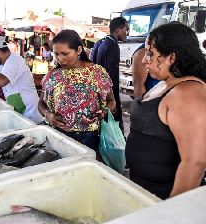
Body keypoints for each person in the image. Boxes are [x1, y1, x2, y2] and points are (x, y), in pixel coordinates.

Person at [126, 23, 206, 199]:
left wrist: (172, 211)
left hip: (165, 196)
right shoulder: (167, 82)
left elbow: (195, 162)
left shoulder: (188, 93)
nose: (144, 59)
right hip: (145, 189)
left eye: (151, 54)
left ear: (172, 57)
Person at [38, 29, 115, 152]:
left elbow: (111, 101)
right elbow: (41, 103)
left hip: (90, 138)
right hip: (59, 136)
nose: (60, 59)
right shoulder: (52, 75)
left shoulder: (97, 73)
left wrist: (104, 112)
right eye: (56, 54)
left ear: (79, 50)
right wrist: (48, 115)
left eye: (65, 53)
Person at [91, 17, 129, 134]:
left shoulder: (99, 43)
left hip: (97, 95)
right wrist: (114, 102)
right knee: (116, 134)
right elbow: (112, 78)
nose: (127, 33)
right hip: (108, 97)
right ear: (118, 30)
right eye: (126, 30)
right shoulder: (113, 46)